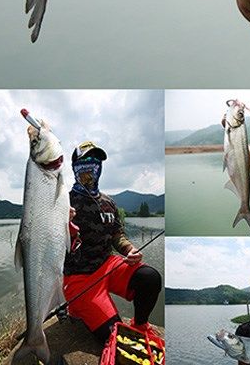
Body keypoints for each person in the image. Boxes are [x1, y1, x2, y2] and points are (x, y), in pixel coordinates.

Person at [63, 141, 161, 347]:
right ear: (74, 167)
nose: (92, 166)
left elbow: (117, 233)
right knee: (117, 339)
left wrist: (129, 249)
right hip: (79, 278)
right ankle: (78, 308)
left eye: (96, 161)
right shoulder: (63, 202)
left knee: (150, 278)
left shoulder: (109, 202)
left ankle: (140, 324)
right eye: (86, 161)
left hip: (108, 266)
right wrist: (61, 223)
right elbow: (49, 242)